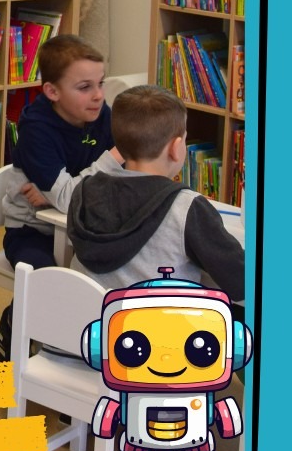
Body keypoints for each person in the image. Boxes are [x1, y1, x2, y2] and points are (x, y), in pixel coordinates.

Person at [0, 34, 122, 358]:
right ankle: (13, 326)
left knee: (118, 272)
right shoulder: (36, 129)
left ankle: (77, 350)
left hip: (85, 229)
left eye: (100, 83)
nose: (98, 95)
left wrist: (57, 194)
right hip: (32, 231)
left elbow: (120, 182)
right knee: (47, 281)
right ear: (52, 92)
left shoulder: (101, 115)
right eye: (85, 87)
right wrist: (113, 157)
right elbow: (68, 198)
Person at [67, 84, 244, 299]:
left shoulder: (84, 190)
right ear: (175, 148)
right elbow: (240, 283)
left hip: (88, 317)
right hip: (155, 320)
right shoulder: (188, 208)